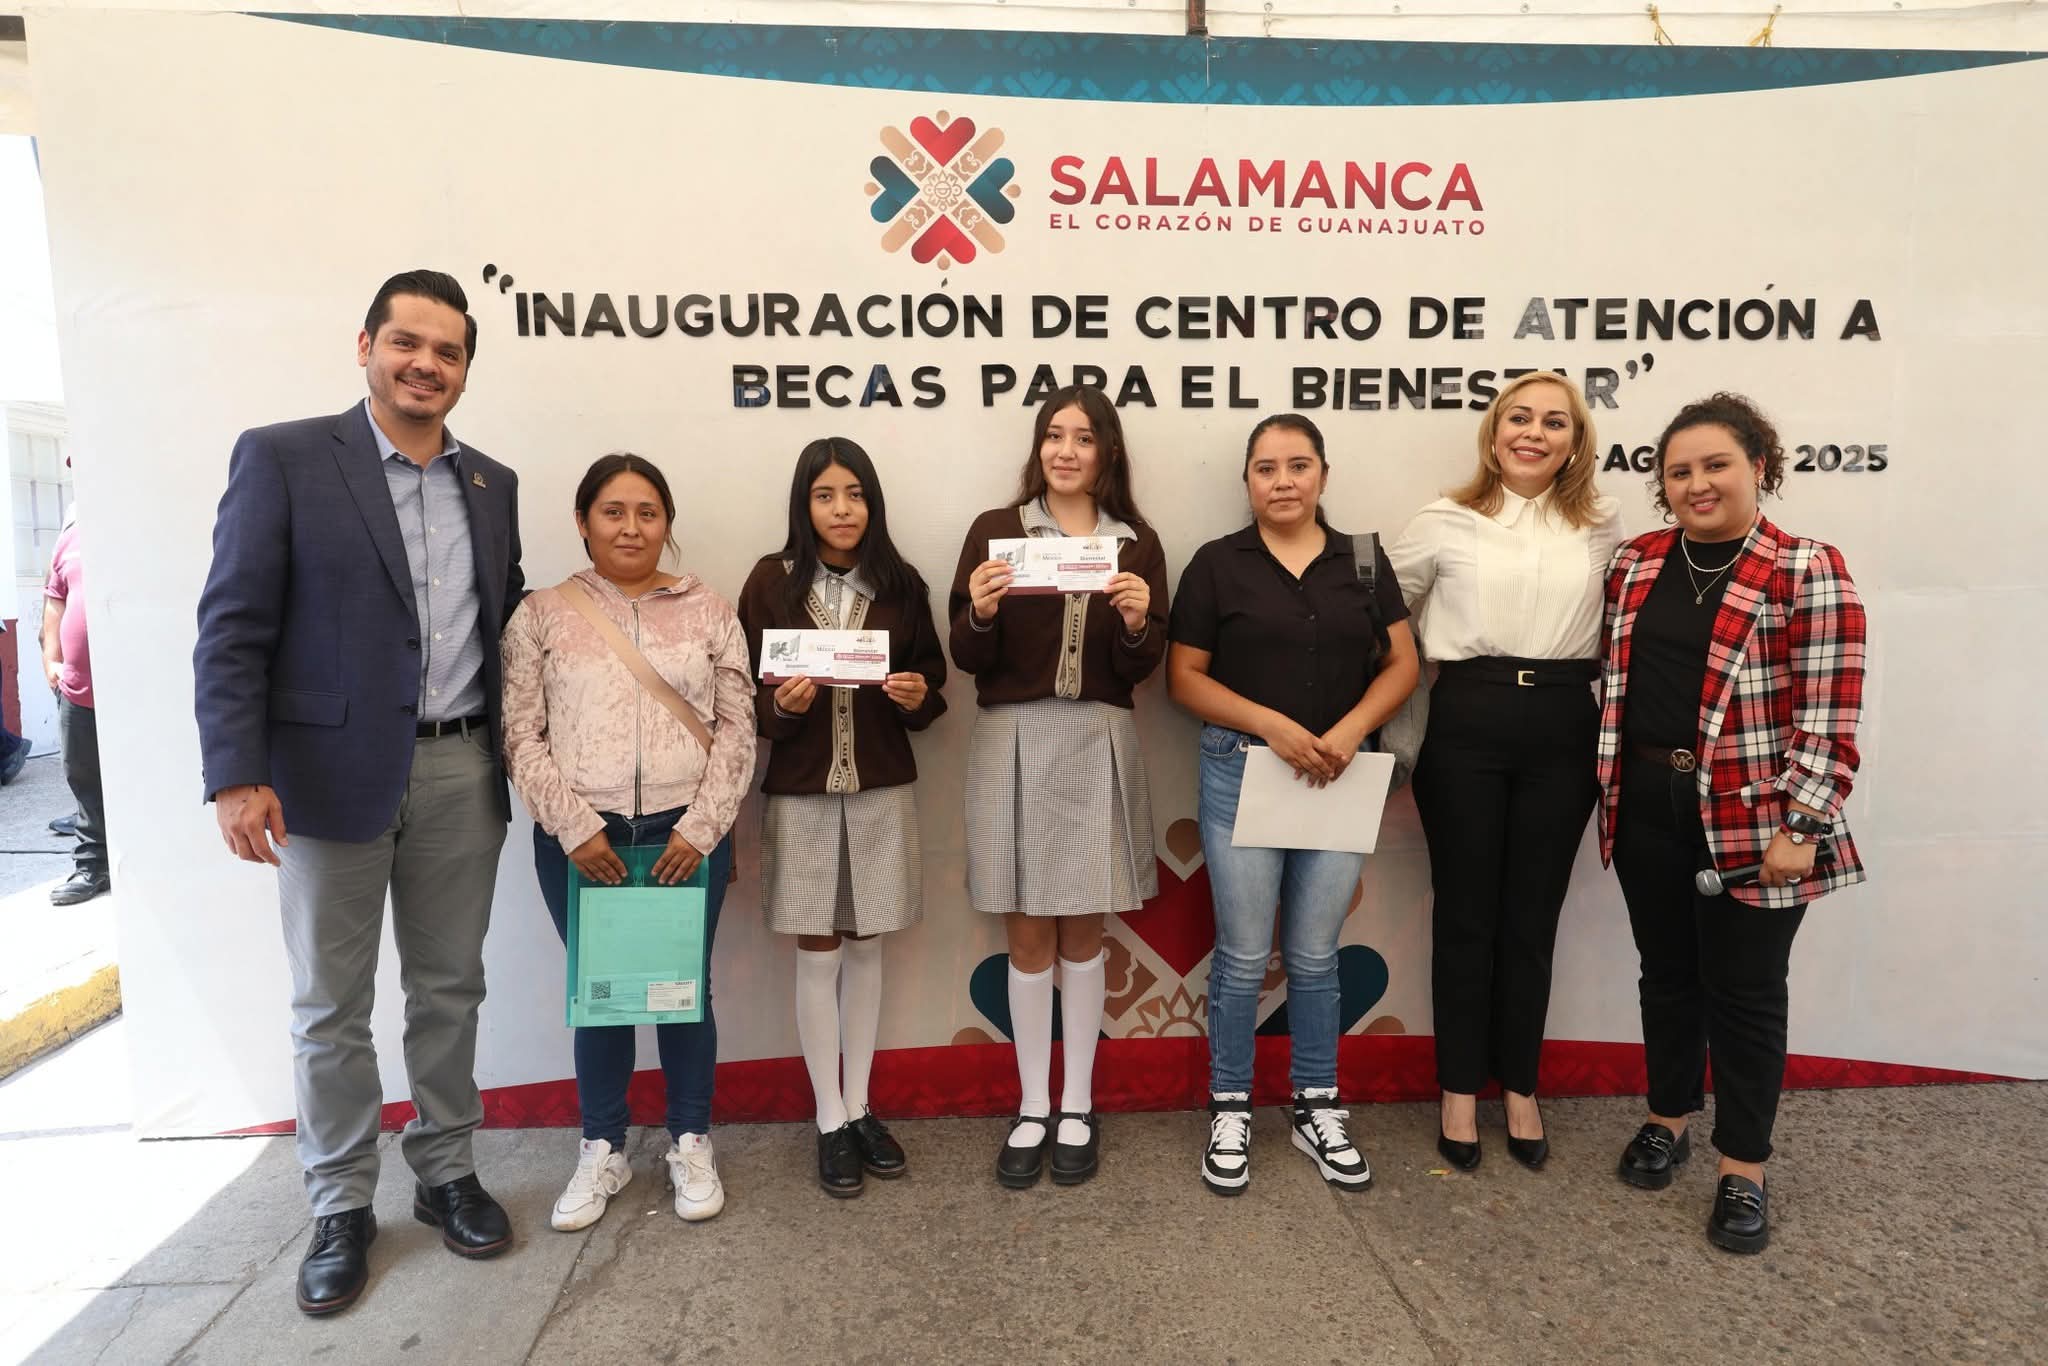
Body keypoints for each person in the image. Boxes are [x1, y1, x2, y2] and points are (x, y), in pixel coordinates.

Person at [193, 270, 524, 1316]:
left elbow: (508, 622)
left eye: (448, 351)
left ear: (465, 369)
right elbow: (232, 625)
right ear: (366, 346)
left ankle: (446, 1172)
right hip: (322, 781)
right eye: (407, 343)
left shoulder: (492, 483)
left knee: (449, 988)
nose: (426, 364)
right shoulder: (285, 457)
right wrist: (235, 773)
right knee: (329, 1005)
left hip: (461, 768)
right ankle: (340, 1202)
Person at [1597, 392, 1866, 1254]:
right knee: (1667, 975)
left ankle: (1742, 1165)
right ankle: (1668, 1118)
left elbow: (1830, 718)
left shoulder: (1806, 568)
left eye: (1715, 465)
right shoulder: (1637, 563)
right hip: (1646, 803)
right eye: (1679, 471)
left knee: (1746, 994)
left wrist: (1803, 826)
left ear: (1759, 466)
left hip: (1757, 825)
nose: (1697, 484)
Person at [501, 452, 755, 1232]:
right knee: (602, 996)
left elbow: (738, 727)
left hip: (684, 837)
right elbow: (520, 733)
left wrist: (701, 830)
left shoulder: (709, 610)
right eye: (613, 511)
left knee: (684, 995)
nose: (631, 527)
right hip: (586, 844)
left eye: (648, 512)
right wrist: (574, 827)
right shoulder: (542, 614)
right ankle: (602, 1147)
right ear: (583, 522)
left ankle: (691, 1141)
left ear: (667, 523)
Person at [1167, 413, 1418, 1195]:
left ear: (1323, 475)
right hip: (1242, 771)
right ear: (1247, 480)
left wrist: (1350, 729)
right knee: (1244, 955)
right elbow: (1184, 678)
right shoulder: (1216, 564)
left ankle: (1317, 1104)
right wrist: (1273, 726)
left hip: (1341, 773)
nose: (1283, 481)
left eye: (1298, 465)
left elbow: (1403, 663)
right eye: (1266, 468)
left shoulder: (1364, 560)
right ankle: (1231, 1106)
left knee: (1313, 955)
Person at [1388, 372, 1622, 1172]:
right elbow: (1380, 619)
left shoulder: (1601, 527)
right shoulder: (1443, 520)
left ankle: (1520, 1086)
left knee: (1532, 917)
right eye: (1518, 417)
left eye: (1554, 422)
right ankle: (1458, 1089)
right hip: (1467, 721)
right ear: (1493, 434)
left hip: (1564, 725)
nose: (1534, 432)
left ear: (1575, 442)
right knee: (1465, 916)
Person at [949, 385, 1169, 1189]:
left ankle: (1078, 1102)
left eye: (1082, 437)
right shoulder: (996, 531)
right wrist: (978, 613)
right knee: (1027, 935)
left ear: (1108, 452)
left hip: (1095, 738)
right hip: (1013, 738)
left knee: (1084, 932)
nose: (1065, 451)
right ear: (1037, 447)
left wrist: (1139, 623)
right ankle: (1032, 1105)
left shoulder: (1137, 544)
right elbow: (966, 655)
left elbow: (1144, 666)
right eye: (1053, 435)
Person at [737, 437, 947, 1198]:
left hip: (881, 788)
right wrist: (783, 708)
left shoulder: (901, 583)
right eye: (825, 495)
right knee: (817, 947)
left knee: (867, 943)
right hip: (802, 793)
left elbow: (932, 682)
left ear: (872, 502)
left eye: (855, 494)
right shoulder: (771, 583)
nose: (842, 509)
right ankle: (828, 1116)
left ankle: (860, 1106)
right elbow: (747, 697)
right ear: (804, 504)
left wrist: (919, 695)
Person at [43, 507, 111, 905]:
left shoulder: (132, 527)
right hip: (77, 688)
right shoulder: (69, 536)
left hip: (130, 693)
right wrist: (51, 658)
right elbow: (55, 600)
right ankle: (93, 867)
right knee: (83, 777)